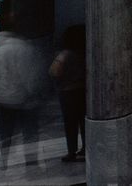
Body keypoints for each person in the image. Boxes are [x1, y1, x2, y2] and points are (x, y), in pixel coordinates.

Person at [0, 14, 47, 172]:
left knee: (5, 131)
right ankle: (31, 162)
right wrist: (35, 94)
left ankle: (3, 161)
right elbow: (29, 76)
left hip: (1, 98)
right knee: (29, 131)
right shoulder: (24, 48)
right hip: (23, 98)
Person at [50, 24, 86, 162]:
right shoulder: (84, 53)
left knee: (70, 123)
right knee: (83, 121)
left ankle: (71, 151)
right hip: (82, 89)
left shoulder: (65, 54)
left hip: (68, 91)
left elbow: (54, 71)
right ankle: (86, 149)